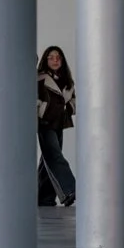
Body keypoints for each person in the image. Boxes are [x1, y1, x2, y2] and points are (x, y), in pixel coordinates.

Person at [35, 45, 76, 207]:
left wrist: (69, 109)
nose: (55, 60)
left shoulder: (67, 81)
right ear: (45, 60)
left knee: (48, 160)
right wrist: (40, 111)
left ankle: (44, 198)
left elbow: (73, 100)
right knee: (54, 156)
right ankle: (70, 190)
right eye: (51, 57)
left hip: (59, 123)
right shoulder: (40, 78)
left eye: (58, 57)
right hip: (44, 123)